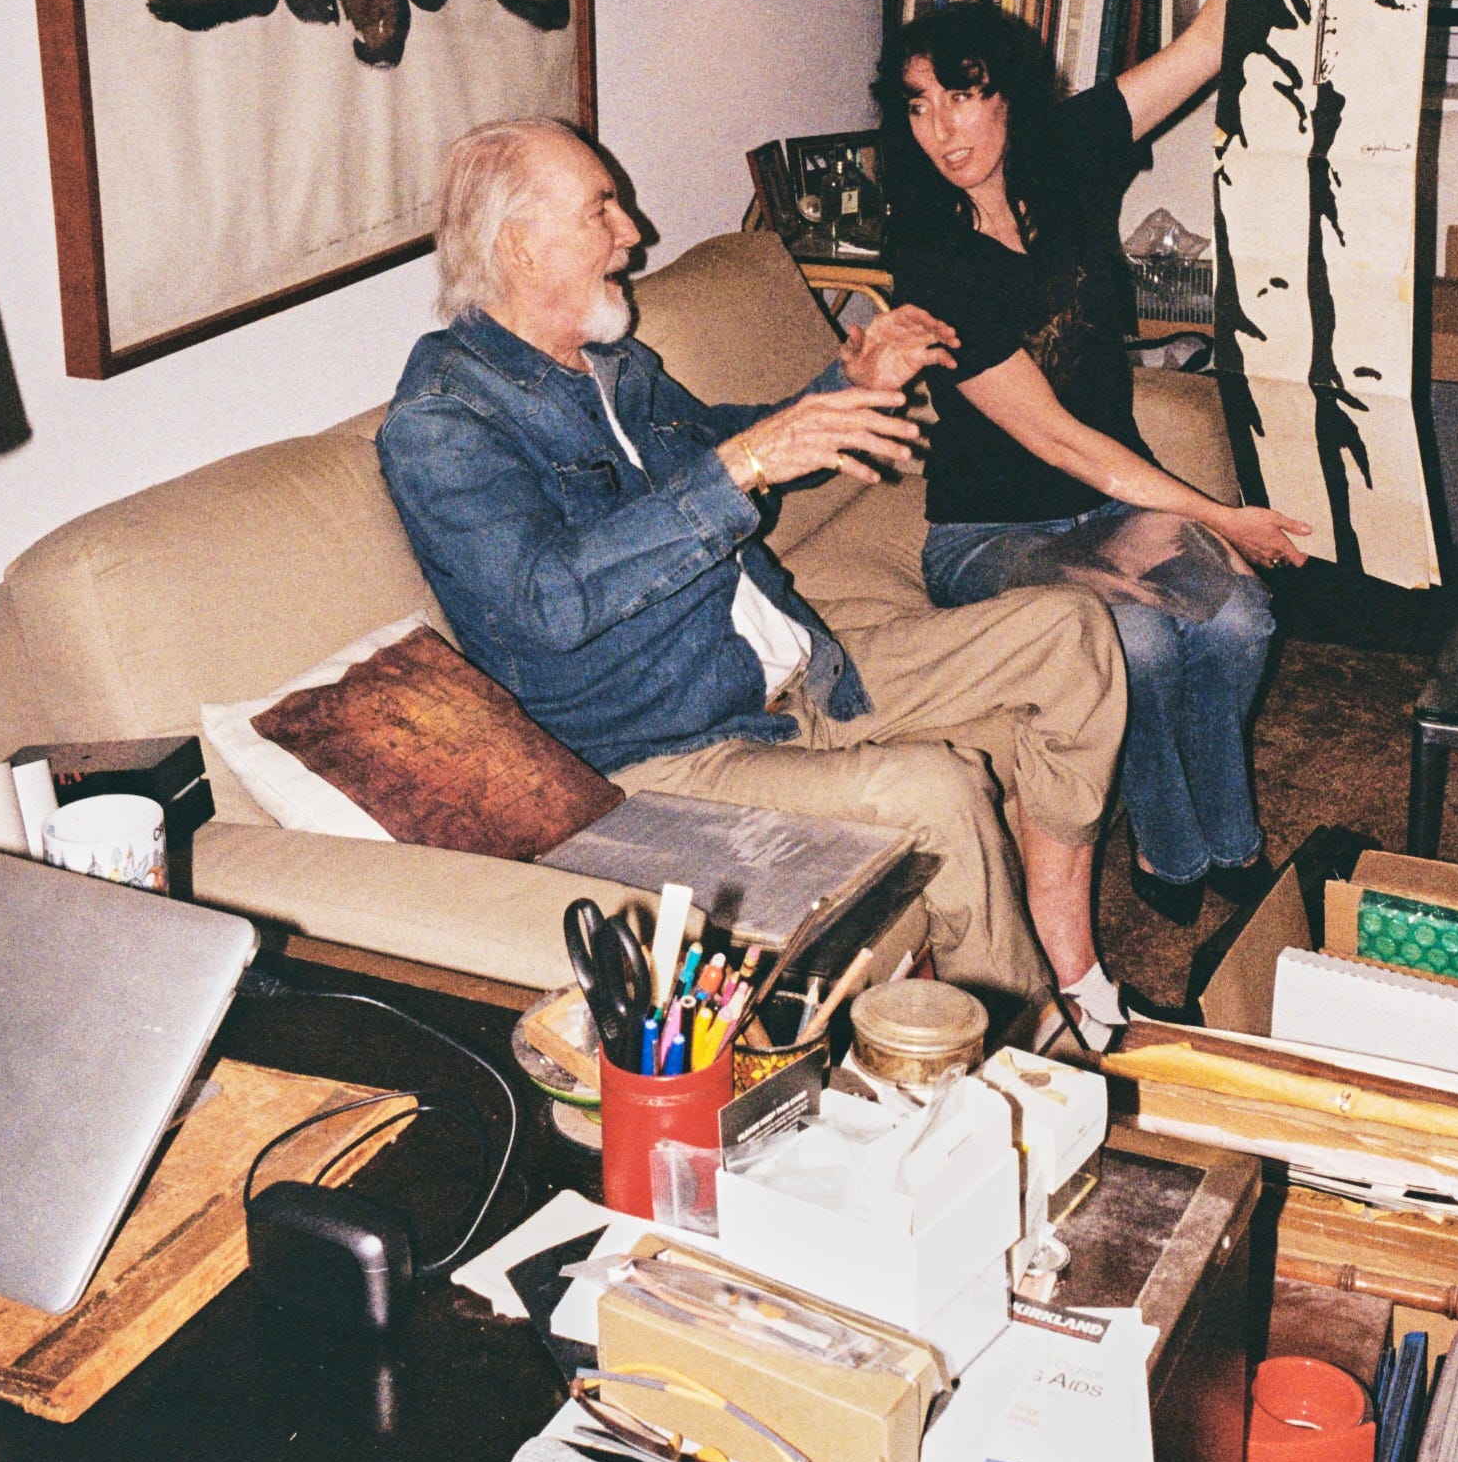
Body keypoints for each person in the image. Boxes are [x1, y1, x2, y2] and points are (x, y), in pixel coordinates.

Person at [376, 116, 1131, 1030]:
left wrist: (853, 386)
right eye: (601, 210)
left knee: (1070, 632)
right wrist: (741, 465)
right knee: (937, 789)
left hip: (796, 668)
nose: (633, 233)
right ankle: (1023, 1048)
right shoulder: (444, 424)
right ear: (519, 248)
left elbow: (733, 444)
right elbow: (548, 600)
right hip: (665, 749)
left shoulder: (610, 366)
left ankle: (1070, 963)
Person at [875, 0, 1384, 928]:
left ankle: (1224, 834)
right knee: (1142, 643)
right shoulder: (930, 257)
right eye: (918, 105)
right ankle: (1173, 848)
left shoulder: (1064, 158)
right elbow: (1063, 441)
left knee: (1239, 622)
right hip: (987, 535)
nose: (942, 128)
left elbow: (1203, 47)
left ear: (1008, 95)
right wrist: (1220, 516)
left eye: (962, 95)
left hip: (1103, 511)